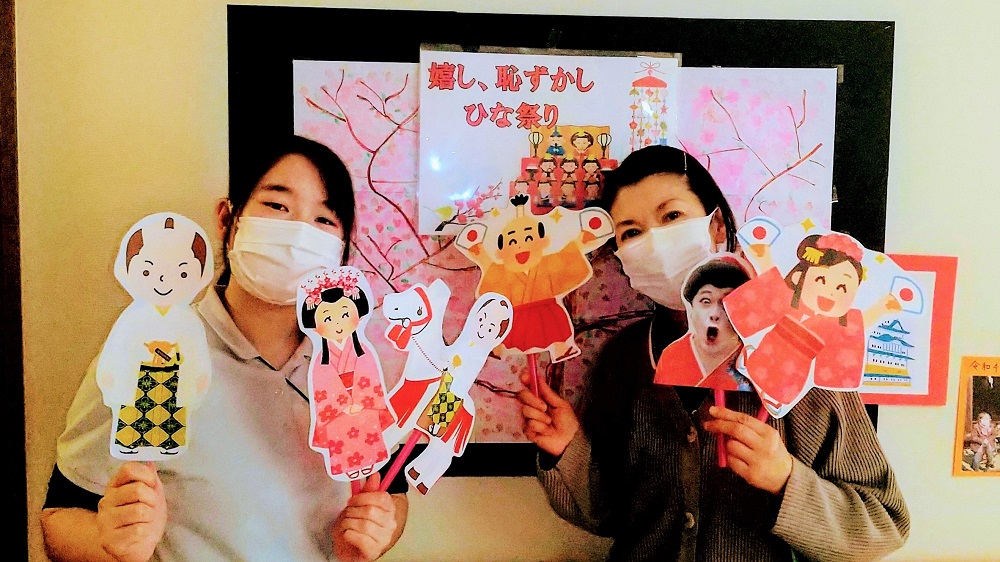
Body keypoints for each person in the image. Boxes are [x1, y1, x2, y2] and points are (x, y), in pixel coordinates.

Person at [517, 145, 909, 561]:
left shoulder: (802, 352)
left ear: (716, 225)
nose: (655, 242)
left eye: (672, 216)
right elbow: (608, 514)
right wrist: (568, 448)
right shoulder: (623, 360)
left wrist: (786, 480)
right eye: (631, 232)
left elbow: (882, 523)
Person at [41, 135, 408, 562]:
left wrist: (377, 531)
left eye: (324, 219)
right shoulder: (156, 353)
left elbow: (390, 494)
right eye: (277, 206)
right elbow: (59, 518)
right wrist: (114, 544)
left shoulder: (352, 366)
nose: (297, 234)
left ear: (341, 249)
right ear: (227, 218)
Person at [300, 268, 394, 481]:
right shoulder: (321, 360)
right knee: (341, 432)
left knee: (366, 427)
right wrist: (343, 404)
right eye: (327, 318)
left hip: (363, 401)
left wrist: (360, 400)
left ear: (358, 317)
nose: (337, 323)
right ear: (315, 327)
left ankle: (368, 460)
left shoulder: (364, 350)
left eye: (344, 315)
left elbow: (370, 376)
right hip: (337, 407)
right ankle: (348, 465)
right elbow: (323, 386)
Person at [653, 255, 752, 391]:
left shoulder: (752, 357)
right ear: (691, 309)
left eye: (725, 303)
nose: (714, 314)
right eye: (706, 301)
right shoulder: (672, 356)